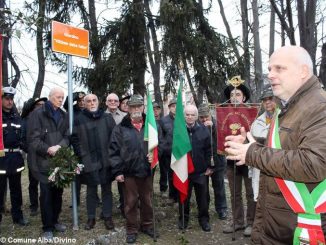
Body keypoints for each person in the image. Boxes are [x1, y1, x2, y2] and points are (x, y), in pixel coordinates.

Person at [224, 46, 326, 244]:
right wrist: (250, 144)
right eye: (270, 69)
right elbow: (288, 147)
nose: (270, 75)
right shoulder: (290, 106)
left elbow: (314, 163)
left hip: (297, 226)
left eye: (279, 68)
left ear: (303, 71)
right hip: (280, 222)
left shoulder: (319, 107)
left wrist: (252, 154)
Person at [109, 94, 157, 244]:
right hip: (129, 172)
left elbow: (158, 145)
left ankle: (147, 225)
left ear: (143, 107)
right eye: (133, 106)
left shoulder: (151, 126)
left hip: (146, 171)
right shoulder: (120, 128)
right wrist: (117, 171)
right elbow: (113, 151)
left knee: (147, 200)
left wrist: (155, 156)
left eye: (138, 106)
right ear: (128, 109)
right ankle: (131, 229)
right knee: (130, 202)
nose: (136, 109)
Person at [27, 87, 69, 240]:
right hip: (43, 162)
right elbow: (33, 140)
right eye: (58, 97)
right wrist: (48, 149)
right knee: (46, 195)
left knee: (58, 193)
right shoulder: (37, 114)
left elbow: (67, 136)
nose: (61, 99)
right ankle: (47, 228)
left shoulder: (64, 115)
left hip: (59, 161)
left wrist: (60, 146)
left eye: (62, 97)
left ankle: (55, 220)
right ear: (50, 97)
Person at [71, 94, 116, 230]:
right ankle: (91, 218)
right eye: (88, 101)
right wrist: (82, 155)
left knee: (107, 189)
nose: (91, 103)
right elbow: (75, 139)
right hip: (88, 161)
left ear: (98, 101)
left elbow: (114, 138)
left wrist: (111, 156)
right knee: (91, 190)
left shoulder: (107, 118)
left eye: (94, 100)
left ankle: (107, 216)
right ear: (84, 104)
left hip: (105, 160)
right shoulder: (79, 119)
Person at [222, 83, 255, 237]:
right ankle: (237, 221)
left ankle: (251, 222)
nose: (234, 97)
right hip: (231, 160)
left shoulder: (252, 113)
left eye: (238, 94)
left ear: (244, 97)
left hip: (248, 160)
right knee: (235, 194)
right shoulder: (224, 114)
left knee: (250, 193)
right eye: (232, 95)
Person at [178, 104, 213, 232]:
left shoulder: (204, 130)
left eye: (193, 115)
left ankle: (204, 220)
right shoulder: (179, 131)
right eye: (187, 114)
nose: (190, 117)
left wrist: (210, 167)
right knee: (184, 198)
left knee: (203, 198)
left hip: (200, 172)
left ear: (196, 116)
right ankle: (183, 219)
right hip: (183, 171)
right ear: (184, 116)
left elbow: (209, 150)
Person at [0, 87, 28, 226]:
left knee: (16, 190)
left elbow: (22, 138)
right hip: (1, 159)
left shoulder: (17, 117)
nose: (10, 102)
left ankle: (18, 216)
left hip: (15, 158)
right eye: (7, 99)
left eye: (11, 99)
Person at [198, 104, 228, 220]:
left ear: (210, 115)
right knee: (203, 189)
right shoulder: (197, 126)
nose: (204, 120)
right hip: (202, 163)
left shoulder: (219, 123)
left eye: (206, 116)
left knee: (219, 187)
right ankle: (204, 210)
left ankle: (222, 209)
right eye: (201, 117)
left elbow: (224, 137)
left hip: (218, 161)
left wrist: (214, 127)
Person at [22, 97, 48, 216]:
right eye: (38, 105)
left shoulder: (46, 119)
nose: (41, 106)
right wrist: (31, 150)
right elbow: (22, 140)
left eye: (43, 104)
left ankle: (44, 204)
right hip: (32, 156)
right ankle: (34, 206)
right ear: (33, 107)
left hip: (45, 156)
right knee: (33, 182)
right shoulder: (27, 121)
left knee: (45, 182)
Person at [249, 86, 276, 202]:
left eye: (270, 98)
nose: (267, 102)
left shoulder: (285, 119)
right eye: (265, 100)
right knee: (260, 200)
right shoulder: (257, 122)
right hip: (259, 167)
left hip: (276, 166)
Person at [105, 93, 127, 217]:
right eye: (110, 100)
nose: (113, 102)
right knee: (106, 185)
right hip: (106, 156)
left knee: (123, 185)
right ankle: (107, 211)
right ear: (106, 102)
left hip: (121, 155)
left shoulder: (125, 117)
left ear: (119, 103)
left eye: (115, 100)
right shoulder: (100, 116)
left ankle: (124, 208)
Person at [160, 98, 178, 202]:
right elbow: (161, 137)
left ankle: (180, 195)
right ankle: (172, 196)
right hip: (168, 153)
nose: (175, 108)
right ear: (169, 108)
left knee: (180, 175)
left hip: (181, 152)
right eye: (172, 106)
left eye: (177, 106)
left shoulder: (184, 119)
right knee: (170, 176)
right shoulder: (164, 120)